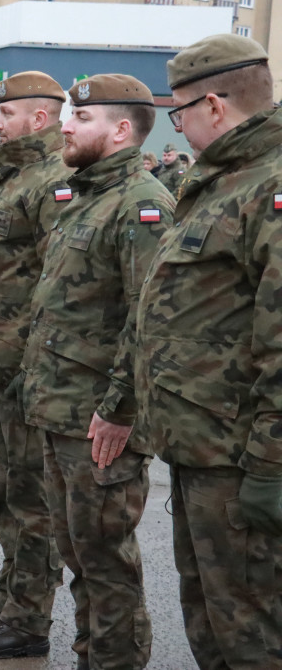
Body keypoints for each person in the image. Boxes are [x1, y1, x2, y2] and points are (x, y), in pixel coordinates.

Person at [137, 33, 282, 669]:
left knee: (252, 633)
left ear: (215, 107)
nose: (178, 127)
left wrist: (271, 469)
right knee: (210, 619)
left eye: (180, 113)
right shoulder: (223, 181)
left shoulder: (268, 187)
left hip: (242, 458)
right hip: (203, 447)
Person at [24, 74, 175, 670]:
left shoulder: (144, 206)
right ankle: (93, 655)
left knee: (106, 561)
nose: (66, 125)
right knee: (79, 554)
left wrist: (118, 411)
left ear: (120, 131)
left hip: (98, 420)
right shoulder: (85, 195)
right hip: (61, 411)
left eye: (82, 120)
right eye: (68, 116)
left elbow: (148, 321)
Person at [0, 71, 71, 659]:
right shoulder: (10, 176)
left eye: (7, 114)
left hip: (23, 374)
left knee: (31, 503)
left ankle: (30, 619)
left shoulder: (54, 181)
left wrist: (32, 366)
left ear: (41, 118)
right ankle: (9, 600)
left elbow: (57, 287)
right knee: (5, 495)